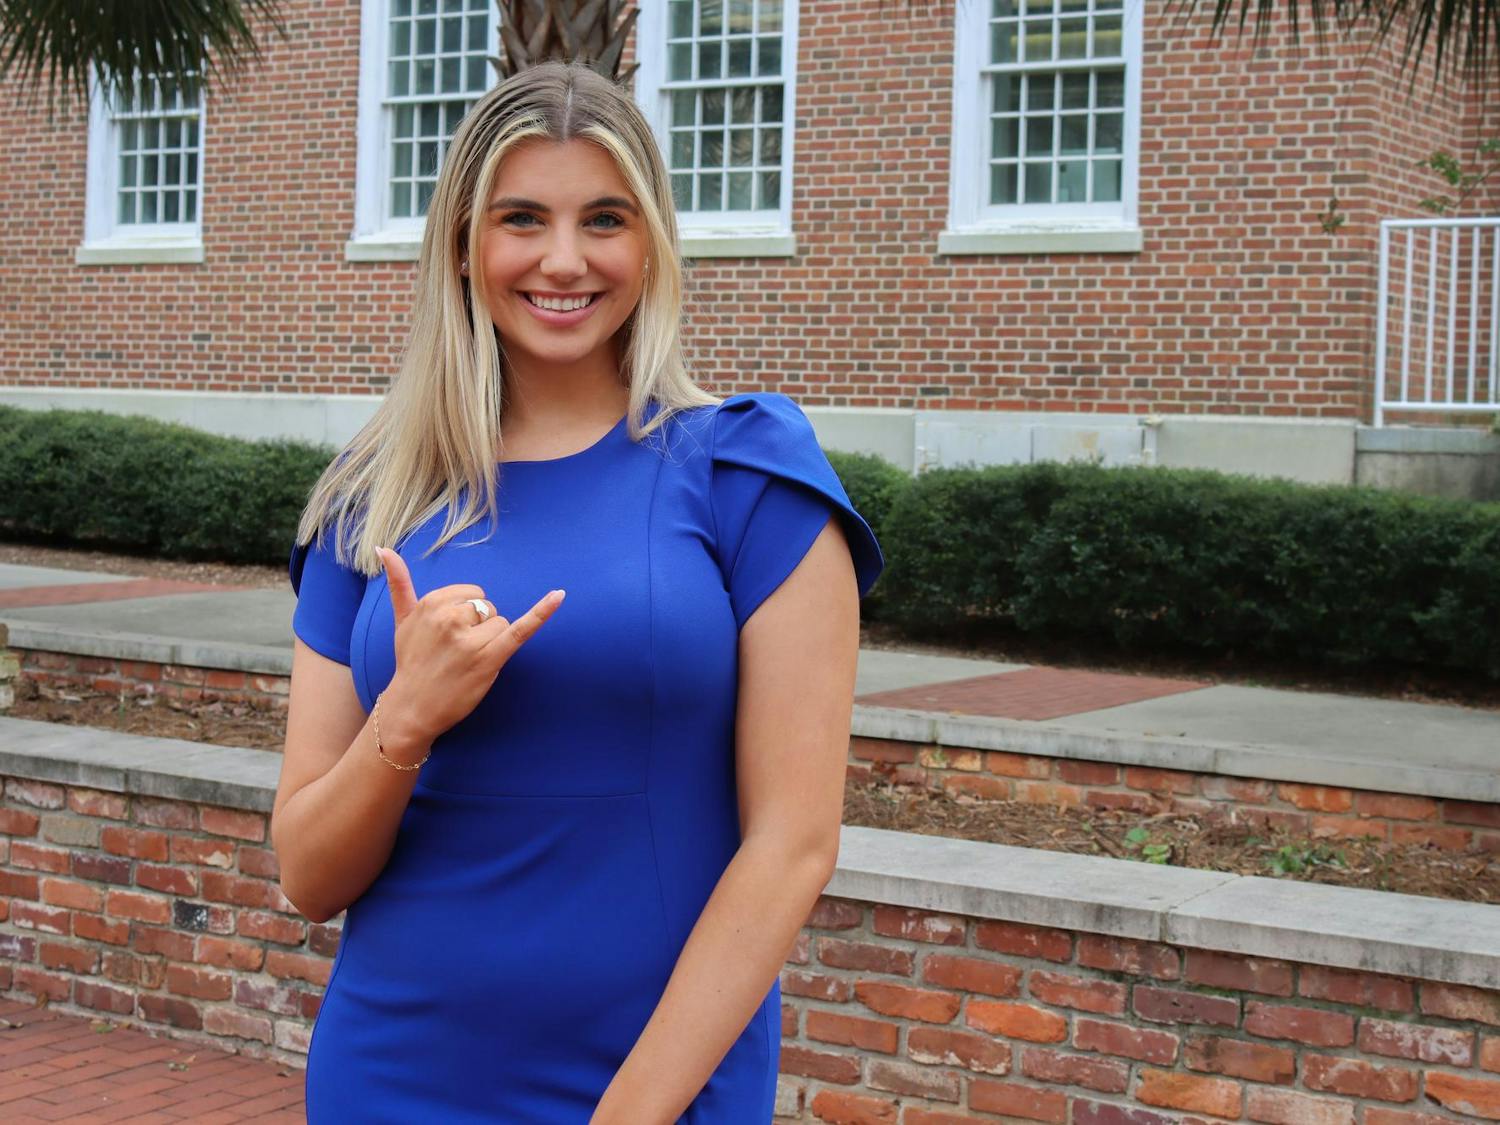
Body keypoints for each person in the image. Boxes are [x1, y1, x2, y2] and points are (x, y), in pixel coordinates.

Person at [273, 59, 884, 1123]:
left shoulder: (749, 475)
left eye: (604, 219)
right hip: (395, 1073)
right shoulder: (368, 504)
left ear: (650, 242)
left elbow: (793, 846)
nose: (564, 259)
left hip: (652, 1085)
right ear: (465, 244)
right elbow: (308, 878)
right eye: (522, 219)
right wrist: (406, 718)